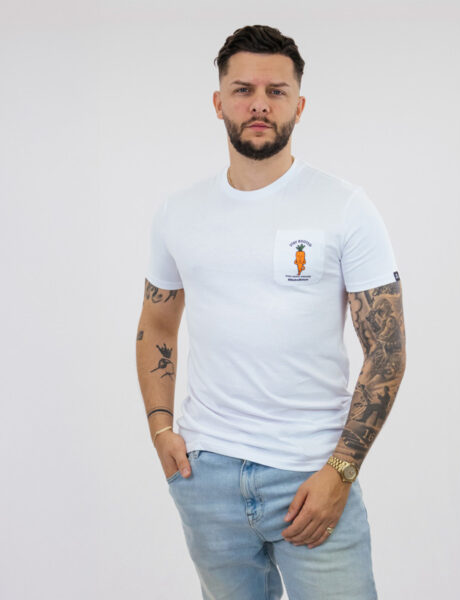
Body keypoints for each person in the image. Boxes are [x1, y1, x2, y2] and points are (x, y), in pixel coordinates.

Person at [136, 24, 406, 600]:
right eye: (243, 89)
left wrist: (341, 471)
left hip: (313, 477)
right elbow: (157, 322)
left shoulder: (345, 207)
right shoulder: (178, 213)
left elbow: (387, 351)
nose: (259, 104)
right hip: (205, 477)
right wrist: (161, 429)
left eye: (276, 91)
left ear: (299, 106)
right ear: (218, 102)